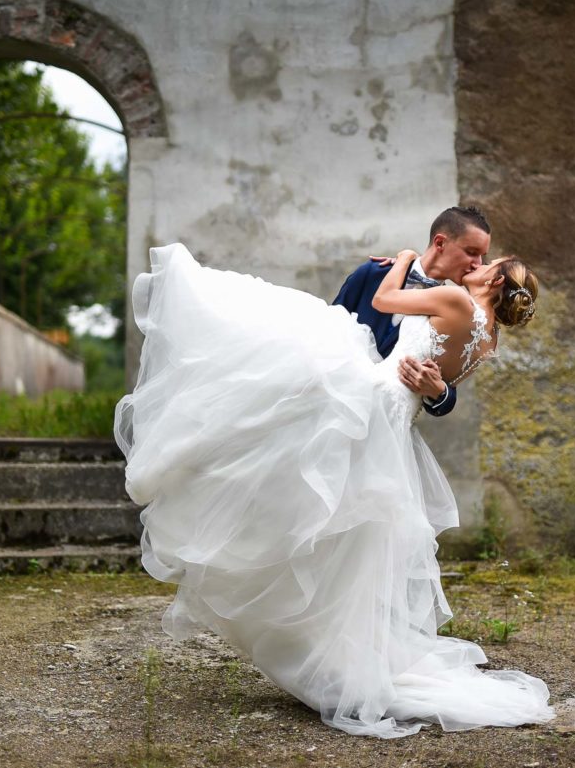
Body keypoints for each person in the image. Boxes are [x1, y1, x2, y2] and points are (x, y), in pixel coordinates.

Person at [114, 233, 552, 738]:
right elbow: (442, 376)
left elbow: (386, 301)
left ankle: (318, 639)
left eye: (488, 262)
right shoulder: (490, 341)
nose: (479, 264)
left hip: (372, 401)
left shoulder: (454, 299)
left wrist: (404, 258)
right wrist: (437, 388)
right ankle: (334, 650)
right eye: (475, 253)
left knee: (277, 409)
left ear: (495, 281)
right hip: (394, 425)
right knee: (346, 536)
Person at [333, 206, 493, 418]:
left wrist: (440, 392)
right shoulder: (373, 273)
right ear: (440, 243)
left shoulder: (454, 309)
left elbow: (451, 380)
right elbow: (328, 328)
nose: (477, 265)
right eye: (471, 252)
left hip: (383, 422)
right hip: (333, 404)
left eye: (482, 256)